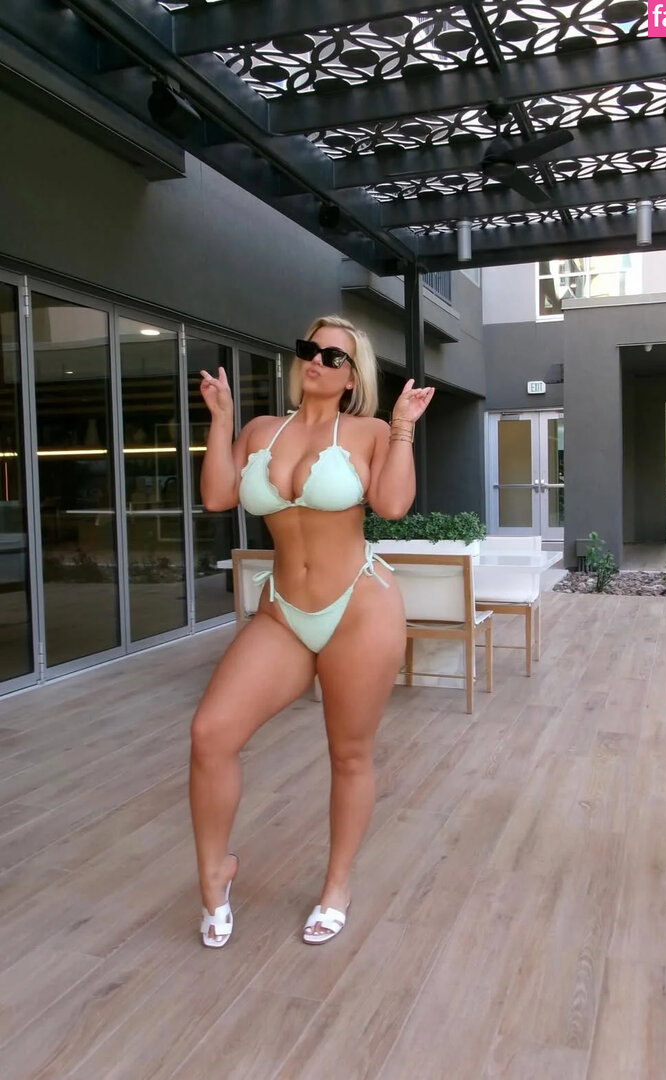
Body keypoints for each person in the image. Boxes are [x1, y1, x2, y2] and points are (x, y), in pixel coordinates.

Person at [191, 314, 434, 948]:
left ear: (353, 376)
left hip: (359, 607)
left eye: (333, 356)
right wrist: (221, 419)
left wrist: (403, 427)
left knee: (348, 754)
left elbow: (392, 506)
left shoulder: (370, 431)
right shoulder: (260, 430)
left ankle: (337, 886)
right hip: (282, 611)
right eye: (309, 350)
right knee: (211, 734)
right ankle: (215, 875)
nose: (317, 362)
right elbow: (216, 496)